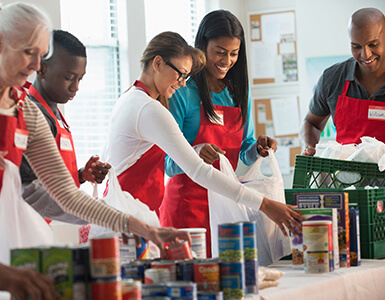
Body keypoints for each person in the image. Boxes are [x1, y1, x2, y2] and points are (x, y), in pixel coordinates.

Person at [0, 2, 190, 296]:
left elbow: (67, 197)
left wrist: (140, 228)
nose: (36, 65)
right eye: (29, 52)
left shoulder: (27, 112)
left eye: (40, 55)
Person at [103, 30, 303, 258]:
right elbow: (197, 170)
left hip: (132, 214)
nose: (181, 83)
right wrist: (265, 204)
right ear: (157, 63)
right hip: (134, 216)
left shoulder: (131, 98)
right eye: (180, 75)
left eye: (186, 77)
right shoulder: (150, 108)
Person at [159, 10, 295, 256]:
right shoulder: (182, 92)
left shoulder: (238, 91)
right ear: (202, 47)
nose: (227, 60)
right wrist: (197, 153)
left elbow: (244, 152)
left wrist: (258, 149)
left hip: (228, 206)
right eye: (220, 52)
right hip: (188, 208)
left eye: (234, 54)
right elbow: (167, 164)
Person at [20, 29, 110, 225]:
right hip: (32, 223)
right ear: (42, 69)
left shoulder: (54, 112)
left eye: (80, 79)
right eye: (69, 77)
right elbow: (31, 187)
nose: (75, 87)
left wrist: (80, 175)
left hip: (50, 221)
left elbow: (47, 174)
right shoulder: (34, 115)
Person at [300, 8, 385, 156]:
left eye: (373, 44)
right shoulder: (332, 79)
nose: (366, 54)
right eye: (356, 46)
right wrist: (308, 146)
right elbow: (311, 123)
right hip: (345, 177)